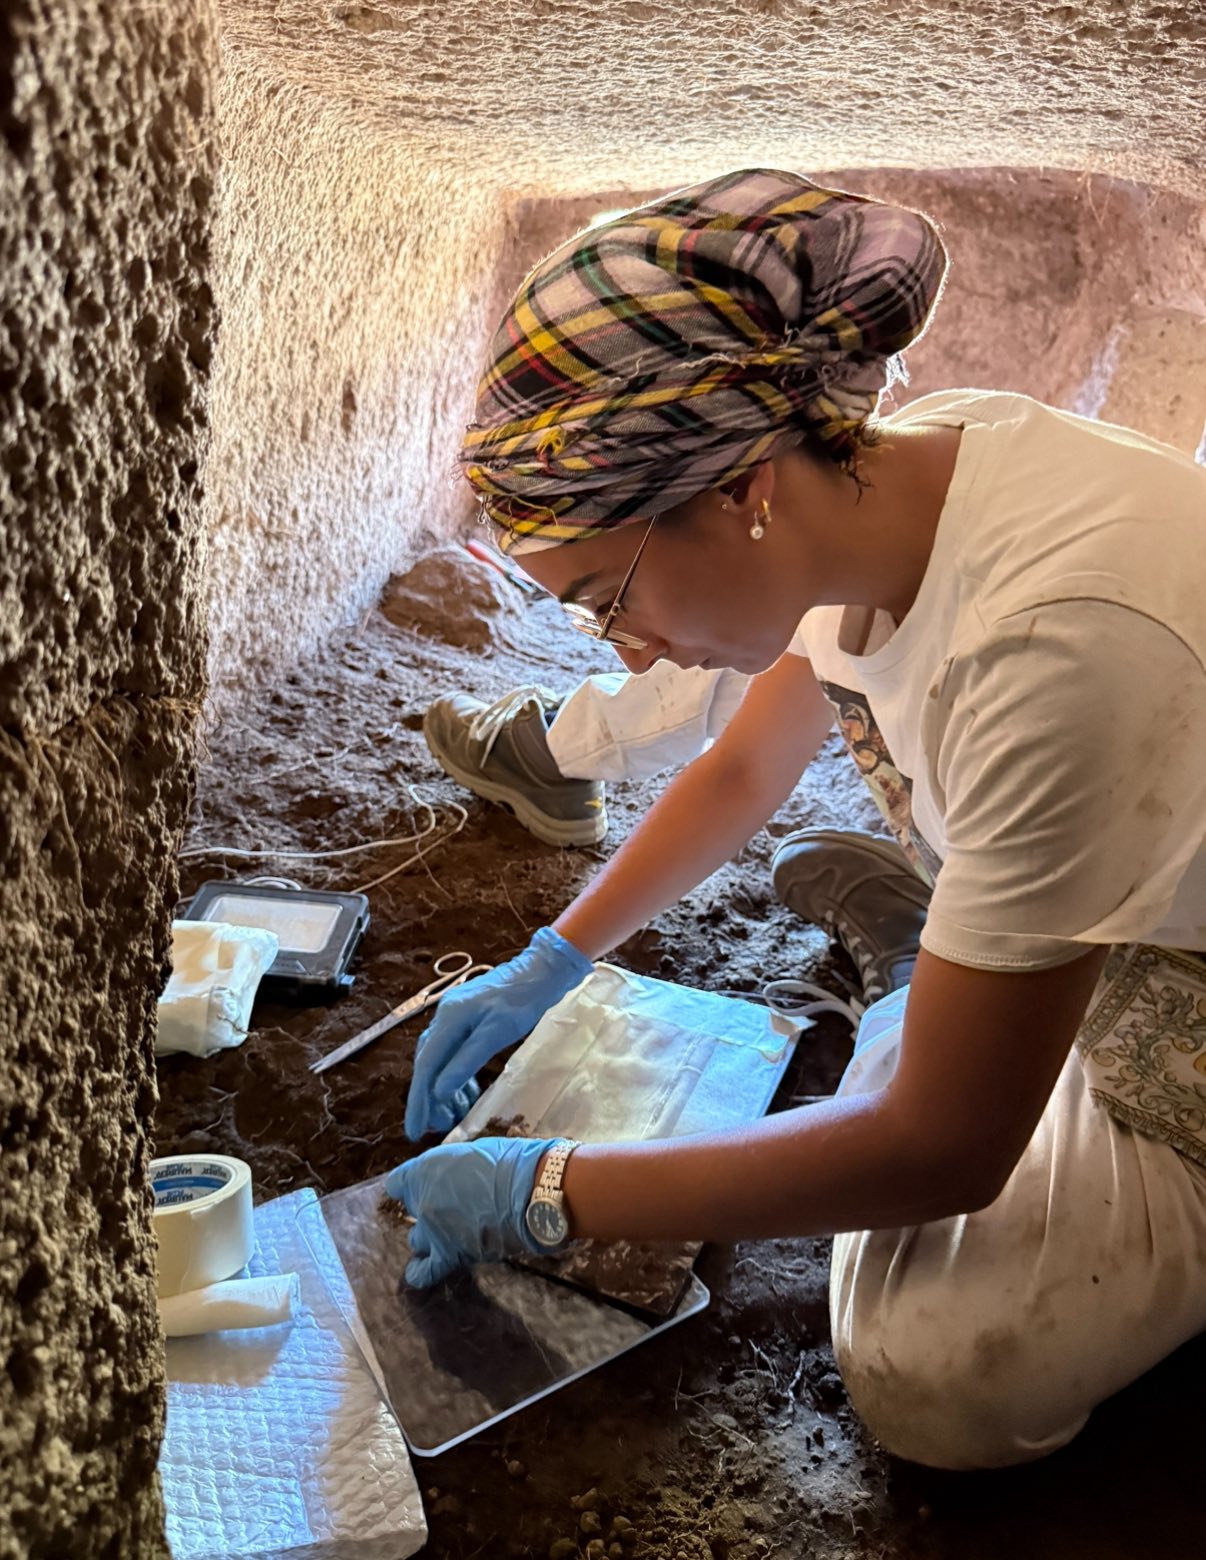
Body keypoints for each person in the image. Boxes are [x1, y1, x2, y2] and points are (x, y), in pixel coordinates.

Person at [387, 168, 1206, 1471]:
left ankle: (918, 977)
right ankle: (947, 964)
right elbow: (741, 771)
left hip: (1180, 981)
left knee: (933, 1369)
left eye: (606, 596)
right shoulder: (884, 487)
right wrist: (552, 958)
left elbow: (947, 1150)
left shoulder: (1056, 647)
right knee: (927, 1118)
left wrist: (550, 1191)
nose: (625, 647)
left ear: (735, 491)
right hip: (1118, 883)